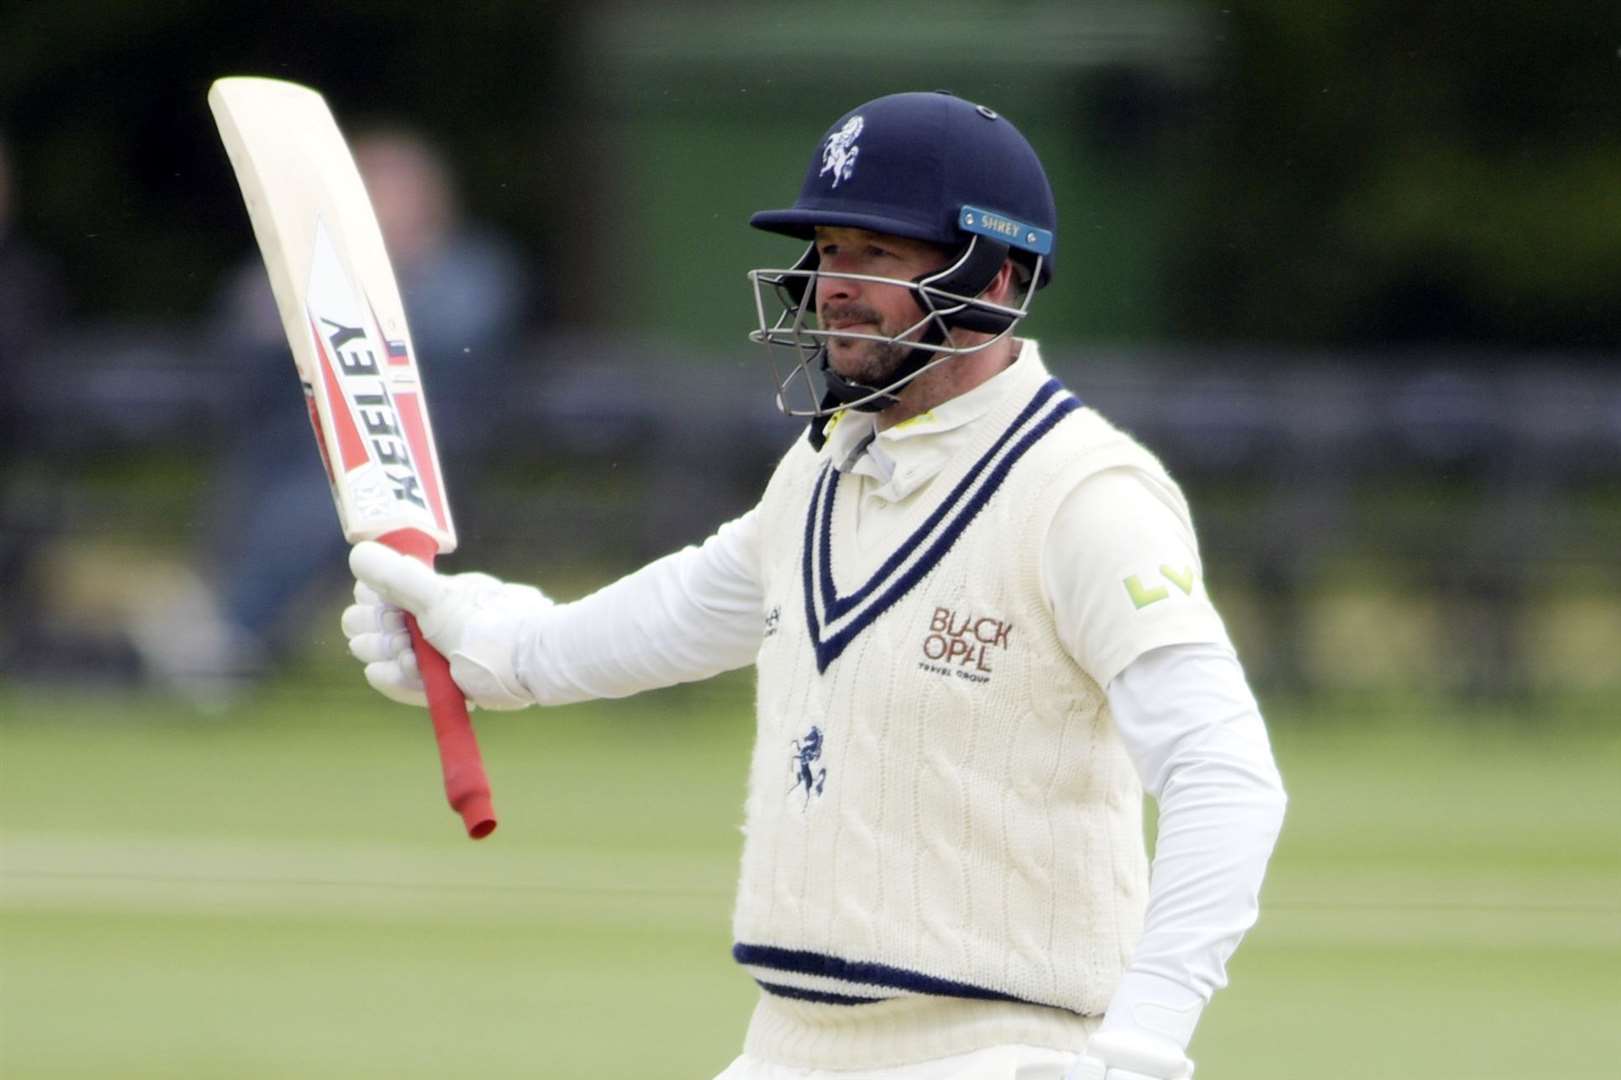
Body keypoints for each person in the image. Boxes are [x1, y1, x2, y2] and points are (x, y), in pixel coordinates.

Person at [342, 91, 1286, 1080]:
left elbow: (1223, 774)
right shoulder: (825, 470)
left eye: (878, 256)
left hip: (1004, 1051)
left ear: (998, 276)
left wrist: (1142, 1046)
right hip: (789, 1048)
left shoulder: (1081, 494)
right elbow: (681, 610)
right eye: (830, 250)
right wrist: (485, 641)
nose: (836, 285)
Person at [134, 127, 530, 701]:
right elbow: (239, 335)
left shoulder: (470, 269)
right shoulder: (306, 266)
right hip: (301, 443)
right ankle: (228, 630)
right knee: (273, 490)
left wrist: (351, 298)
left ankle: (228, 633)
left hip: (425, 456)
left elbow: (437, 344)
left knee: (315, 507)